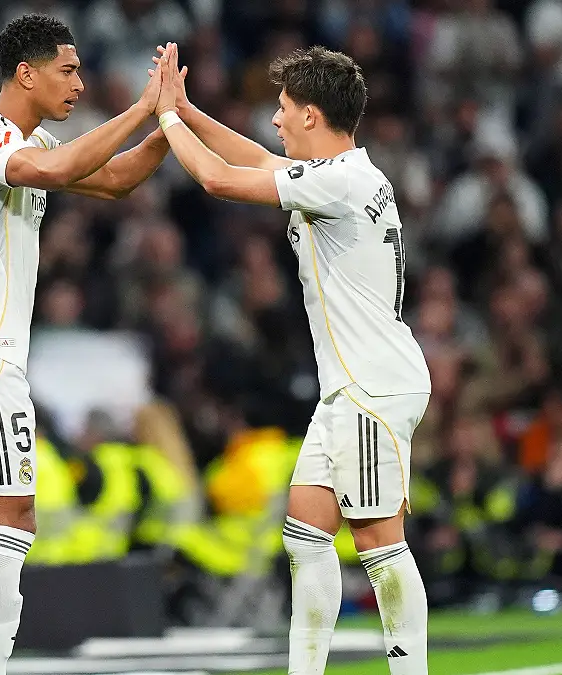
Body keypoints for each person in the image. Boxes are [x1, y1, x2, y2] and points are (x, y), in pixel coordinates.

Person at [150, 44, 432, 674]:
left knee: (380, 545)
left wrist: (166, 118)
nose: (274, 120)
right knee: (306, 531)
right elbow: (257, 160)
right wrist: (190, 111)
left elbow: (222, 178)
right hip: (352, 385)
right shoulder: (348, 175)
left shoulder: (340, 181)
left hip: (371, 385)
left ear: (311, 116)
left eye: (282, 109)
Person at [0, 12, 171, 673]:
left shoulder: (20, 141)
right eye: (68, 70)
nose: (79, 83)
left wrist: (170, 123)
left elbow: (111, 178)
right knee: (12, 520)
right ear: (26, 73)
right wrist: (139, 106)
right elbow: (60, 172)